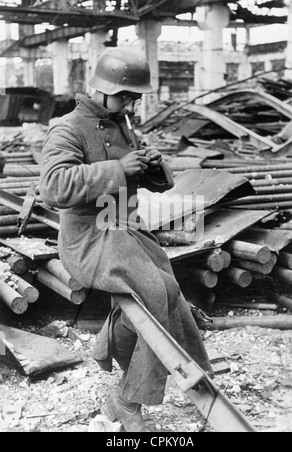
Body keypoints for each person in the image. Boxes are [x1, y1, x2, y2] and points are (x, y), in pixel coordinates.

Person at [40, 47, 212, 432]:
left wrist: (153, 163)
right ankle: (126, 400)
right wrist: (117, 168)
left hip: (124, 229)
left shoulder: (122, 124)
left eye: (135, 97)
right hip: (88, 238)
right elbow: (53, 186)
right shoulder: (67, 127)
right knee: (153, 291)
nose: (130, 103)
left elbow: (157, 184)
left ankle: (191, 374)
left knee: (168, 288)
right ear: (100, 88)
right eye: (124, 95)